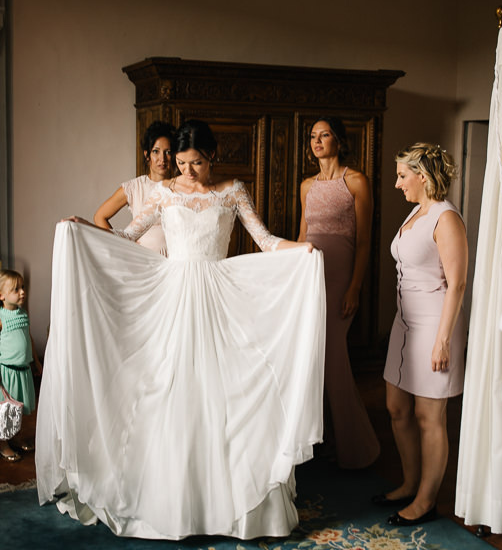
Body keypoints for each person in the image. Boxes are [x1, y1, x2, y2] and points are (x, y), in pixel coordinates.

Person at [37, 119, 326, 540]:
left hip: (218, 297)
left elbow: (263, 240)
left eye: (196, 163)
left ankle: (227, 504)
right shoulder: (164, 192)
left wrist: (300, 249)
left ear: (213, 158)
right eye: (181, 162)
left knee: (222, 392)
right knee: (164, 388)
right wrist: (83, 230)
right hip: (171, 297)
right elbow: (129, 237)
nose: (186, 171)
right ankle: (165, 500)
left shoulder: (233, 191)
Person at [373, 143, 467, 526]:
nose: (398, 184)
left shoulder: (446, 218)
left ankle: (427, 501)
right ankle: (410, 482)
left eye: (402, 176)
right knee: (397, 408)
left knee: (430, 417)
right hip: (404, 324)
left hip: (434, 325)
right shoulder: (417, 211)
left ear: (423, 177)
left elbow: (457, 284)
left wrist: (442, 340)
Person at [297, 117, 380, 469]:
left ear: (339, 140)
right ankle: (324, 440)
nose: (317, 141)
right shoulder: (307, 186)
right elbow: (302, 236)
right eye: (313, 136)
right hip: (310, 273)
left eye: (324, 134)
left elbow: (364, 241)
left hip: (341, 274)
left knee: (332, 355)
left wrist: (355, 287)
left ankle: (357, 447)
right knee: (312, 357)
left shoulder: (356, 181)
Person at [93, 120, 176, 255]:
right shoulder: (134, 188)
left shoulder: (181, 186)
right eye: (156, 151)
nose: (162, 159)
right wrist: (123, 246)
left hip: (175, 262)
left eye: (168, 152)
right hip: (144, 262)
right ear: (146, 154)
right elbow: (99, 217)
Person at [0, 269, 43, 462]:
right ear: (0, 295)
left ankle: (15, 438)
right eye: (16, 289)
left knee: (19, 409)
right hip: (6, 373)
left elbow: (29, 339)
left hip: (23, 371)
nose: (22, 292)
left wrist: (35, 361)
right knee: (6, 410)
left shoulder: (23, 314)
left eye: (23, 287)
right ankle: (3, 444)